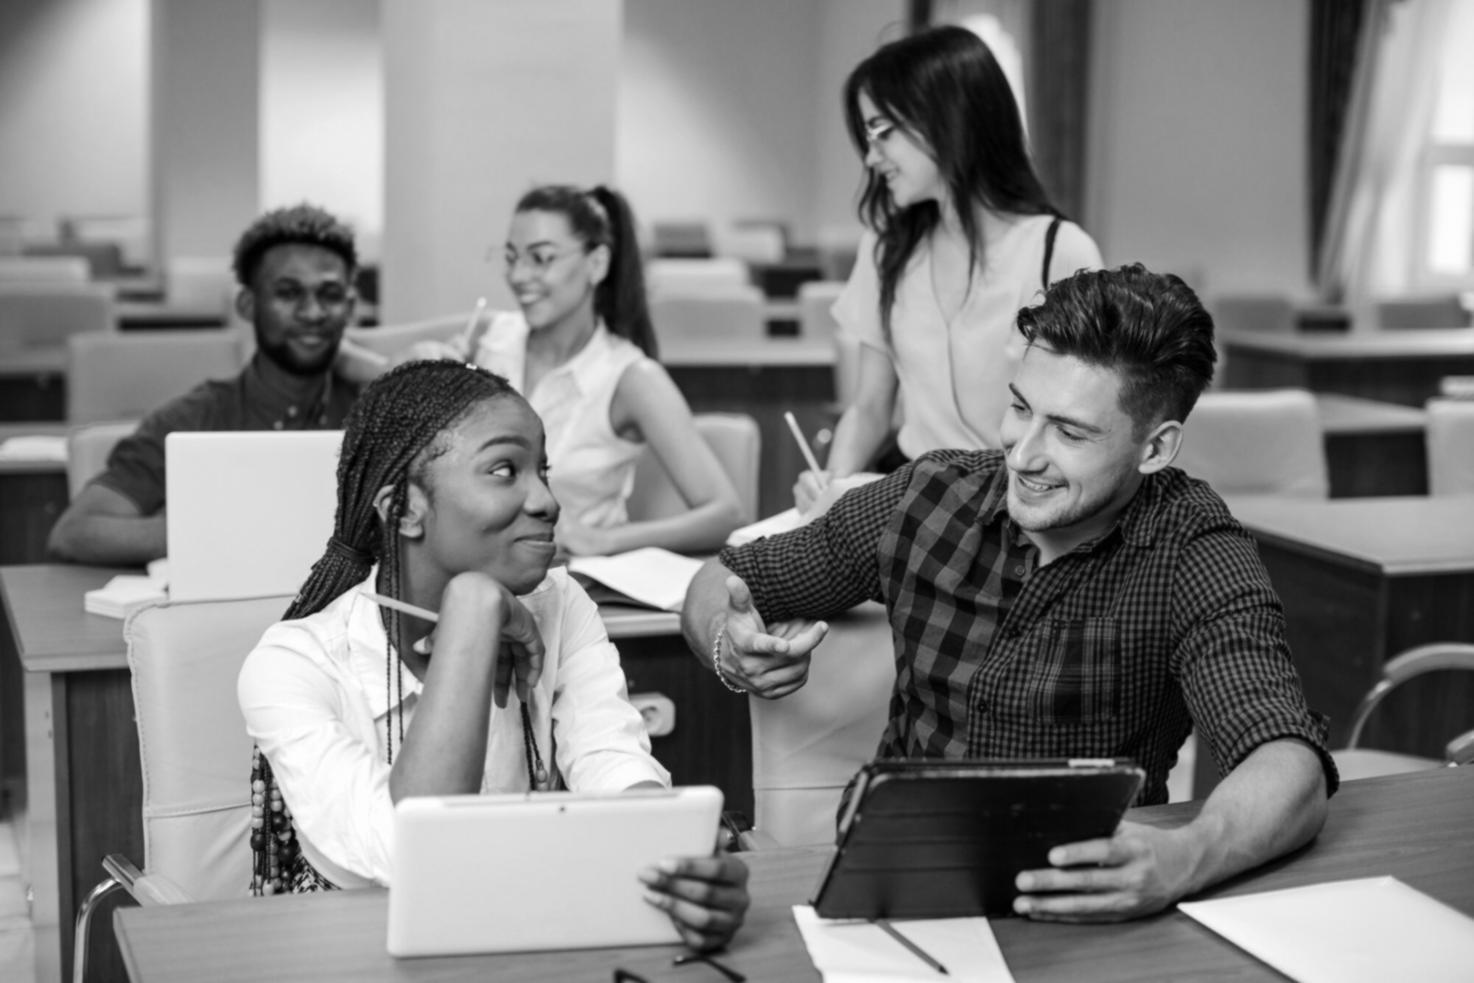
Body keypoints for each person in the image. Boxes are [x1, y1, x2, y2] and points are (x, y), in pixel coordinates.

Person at [682, 264, 1338, 923]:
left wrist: (1187, 856)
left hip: (1090, 901)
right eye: (1021, 408)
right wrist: (727, 644)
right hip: (898, 887)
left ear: (1156, 448)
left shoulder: (1192, 545)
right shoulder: (930, 497)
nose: (1022, 454)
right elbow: (722, 577)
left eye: (1070, 432)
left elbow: (1287, 759)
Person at [238, 359, 748, 950]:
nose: (547, 501)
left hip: (523, 936)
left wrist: (673, 856)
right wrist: (474, 611)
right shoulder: (293, 664)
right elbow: (415, 854)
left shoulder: (561, 604)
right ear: (402, 508)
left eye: (544, 471)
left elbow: (611, 761)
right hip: (356, 955)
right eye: (505, 470)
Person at [796, 25, 1103, 515]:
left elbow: (1085, 427)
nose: (872, 159)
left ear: (945, 119)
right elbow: (871, 406)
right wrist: (831, 486)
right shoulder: (886, 246)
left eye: (881, 132)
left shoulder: (1060, 251)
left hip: (1021, 509)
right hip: (914, 498)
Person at [343, 184, 745, 557]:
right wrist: (406, 364)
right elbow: (345, 346)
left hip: (575, 590)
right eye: (512, 257)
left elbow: (725, 514)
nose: (518, 277)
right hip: (472, 571)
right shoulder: (486, 336)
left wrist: (604, 540)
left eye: (541, 258)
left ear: (597, 262)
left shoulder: (631, 378)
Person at [47, 203, 360, 566]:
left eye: (330, 295)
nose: (312, 313)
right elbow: (73, 533)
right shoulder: (195, 418)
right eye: (288, 293)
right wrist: (206, 532)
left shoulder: (374, 410)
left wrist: (379, 366)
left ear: (350, 307)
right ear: (246, 304)